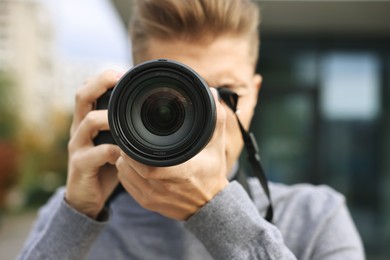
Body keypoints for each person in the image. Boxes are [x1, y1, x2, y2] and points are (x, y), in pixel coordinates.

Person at [19, 0, 365, 259]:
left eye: (226, 94)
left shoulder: (315, 218)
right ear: (131, 95)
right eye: (175, 97)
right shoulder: (72, 214)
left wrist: (218, 212)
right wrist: (77, 216)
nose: (208, 120)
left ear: (255, 95)